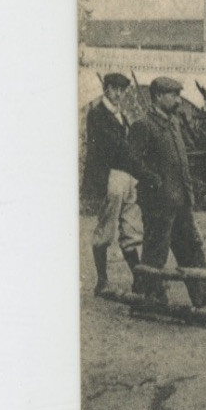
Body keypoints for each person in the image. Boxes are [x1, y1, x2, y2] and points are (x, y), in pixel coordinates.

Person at [128, 76, 206, 307]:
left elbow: (181, 162)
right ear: (158, 96)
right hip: (158, 203)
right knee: (156, 251)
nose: (178, 100)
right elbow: (131, 162)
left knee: (192, 248)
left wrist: (188, 195)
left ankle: (203, 295)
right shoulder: (143, 125)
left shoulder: (173, 123)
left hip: (180, 201)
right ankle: (149, 298)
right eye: (173, 95)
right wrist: (154, 181)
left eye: (179, 95)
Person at [83, 72, 143, 294]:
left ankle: (139, 279)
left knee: (131, 228)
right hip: (110, 176)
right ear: (105, 88)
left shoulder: (120, 114)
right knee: (106, 228)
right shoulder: (97, 114)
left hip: (127, 176)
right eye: (114, 89)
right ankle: (102, 281)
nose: (118, 93)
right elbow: (111, 147)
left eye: (122, 90)